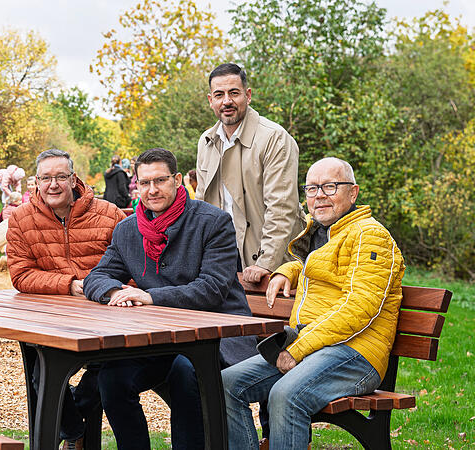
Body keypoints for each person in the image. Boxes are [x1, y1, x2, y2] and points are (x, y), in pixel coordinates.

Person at [221, 157, 405, 450]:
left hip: (355, 354)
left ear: (353, 193)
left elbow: (360, 308)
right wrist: (287, 270)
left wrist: (297, 348)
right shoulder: (324, 233)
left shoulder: (371, 236)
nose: (319, 195)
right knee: (227, 384)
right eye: (311, 188)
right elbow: (323, 267)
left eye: (330, 187)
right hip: (313, 346)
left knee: (286, 395)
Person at [83, 148, 257, 450]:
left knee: (185, 371)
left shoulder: (213, 222)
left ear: (177, 180)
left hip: (216, 336)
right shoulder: (127, 230)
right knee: (112, 378)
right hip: (159, 340)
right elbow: (96, 278)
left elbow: (212, 288)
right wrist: (116, 292)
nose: (151, 190)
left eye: (160, 181)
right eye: (144, 182)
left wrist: (149, 296)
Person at [7, 148, 127, 449]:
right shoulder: (22, 219)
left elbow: (130, 268)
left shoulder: (109, 214)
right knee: (41, 374)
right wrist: (69, 284)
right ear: (36, 182)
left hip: (105, 317)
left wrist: (107, 291)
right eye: (45, 178)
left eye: (61, 177)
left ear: (73, 179)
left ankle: (74, 431)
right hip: (51, 319)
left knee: (106, 372)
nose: (53, 185)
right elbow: (21, 275)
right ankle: (75, 433)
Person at [196, 63, 304, 283]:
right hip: (222, 256)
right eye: (219, 95)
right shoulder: (206, 141)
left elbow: (281, 207)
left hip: (268, 259)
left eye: (234, 93)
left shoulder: (274, 138)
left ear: (248, 95)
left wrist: (266, 262)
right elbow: (201, 204)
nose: (227, 101)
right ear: (210, 101)